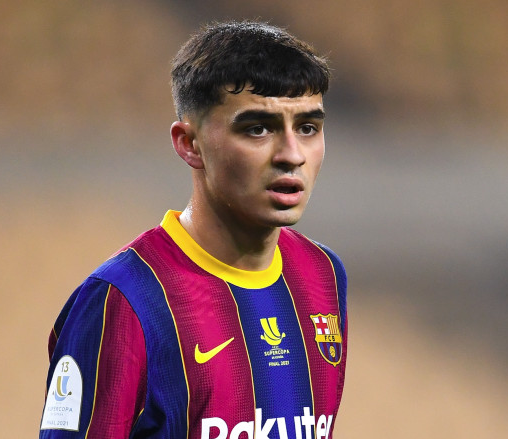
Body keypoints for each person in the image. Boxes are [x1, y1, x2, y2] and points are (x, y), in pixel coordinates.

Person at [39, 20, 347, 439]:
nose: (292, 155)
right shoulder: (124, 300)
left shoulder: (322, 274)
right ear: (189, 143)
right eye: (258, 128)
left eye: (308, 128)